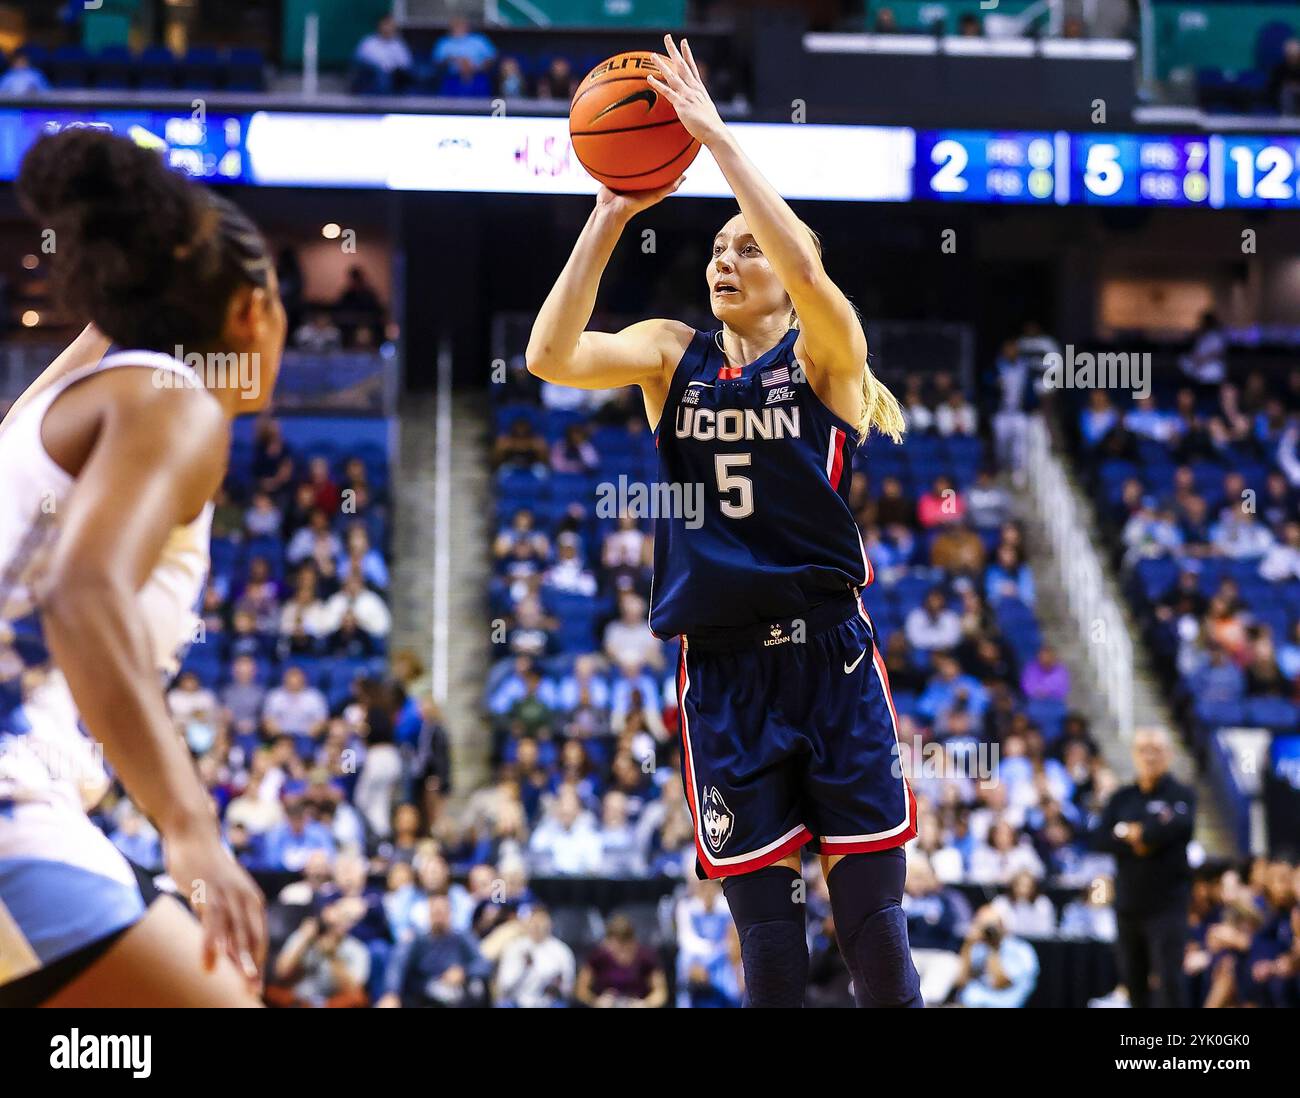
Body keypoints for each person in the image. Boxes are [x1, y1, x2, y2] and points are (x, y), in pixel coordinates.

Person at [526, 36, 918, 1009]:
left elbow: (811, 275)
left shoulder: (827, 355)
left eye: (749, 246)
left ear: (791, 274)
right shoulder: (671, 354)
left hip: (828, 656)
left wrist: (719, 141)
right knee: (770, 948)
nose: (727, 259)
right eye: (715, 246)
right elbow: (548, 354)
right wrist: (609, 213)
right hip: (724, 670)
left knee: (870, 928)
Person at [0, 128, 284, 1006]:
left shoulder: (66, 395)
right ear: (250, 311)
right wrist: (191, 828)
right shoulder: (172, 401)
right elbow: (80, 592)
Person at [1090, 726, 1196, 1008]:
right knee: (1133, 983)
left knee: (1169, 982)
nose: (1149, 757)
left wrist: (1137, 834)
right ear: (1134, 755)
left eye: (1156, 750)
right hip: (1128, 905)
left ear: (1169, 755)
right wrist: (1145, 837)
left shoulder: (1181, 794)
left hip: (1167, 906)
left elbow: (1181, 828)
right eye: (1143, 750)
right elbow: (1101, 838)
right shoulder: (1122, 797)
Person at [353, 14, 414, 95]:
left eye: (392, 25)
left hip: (395, 77)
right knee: (381, 75)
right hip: (373, 77)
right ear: (379, 26)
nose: (389, 28)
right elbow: (361, 62)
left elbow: (406, 63)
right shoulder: (368, 43)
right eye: (387, 25)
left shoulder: (398, 44)